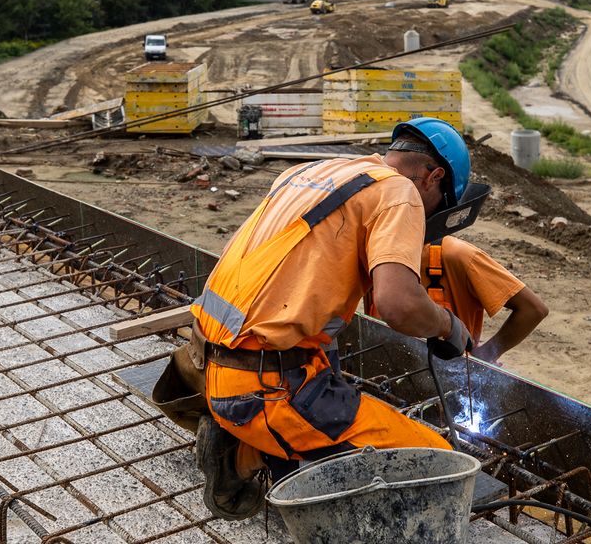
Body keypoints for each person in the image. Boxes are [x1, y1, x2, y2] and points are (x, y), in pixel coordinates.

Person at [189, 118, 474, 520]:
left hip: (209, 366)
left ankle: (242, 443)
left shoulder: (315, 171)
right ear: (434, 178)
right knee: (439, 463)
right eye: (438, 207)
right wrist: (448, 326)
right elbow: (398, 304)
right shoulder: (402, 193)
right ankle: (242, 453)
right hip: (264, 390)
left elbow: (291, 286)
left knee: (329, 380)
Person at [367, 237, 548, 364]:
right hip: (383, 372)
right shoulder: (370, 252)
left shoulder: (457, 256)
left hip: (451, 382)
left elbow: (533, 310)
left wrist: (486, 354)